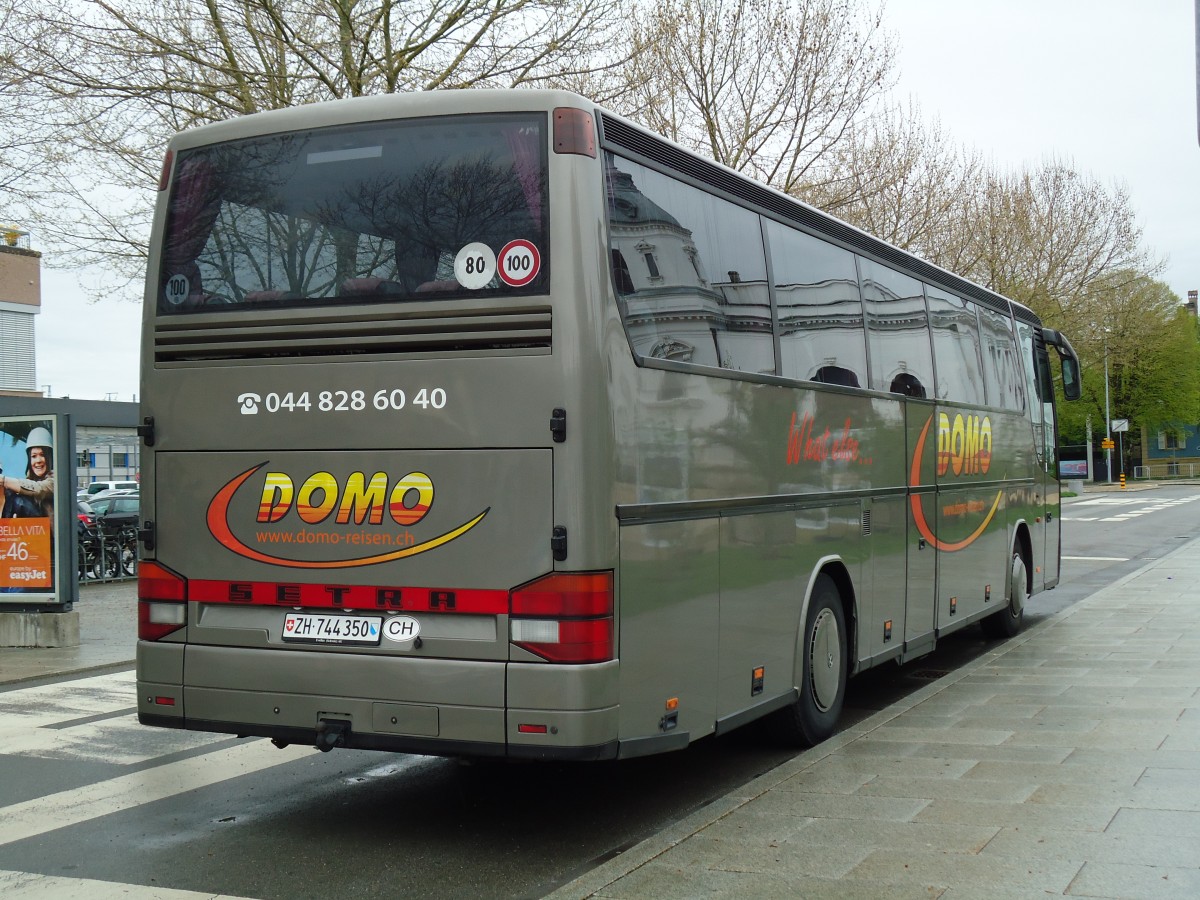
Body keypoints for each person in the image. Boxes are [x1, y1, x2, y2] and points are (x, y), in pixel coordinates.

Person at [2, 426, 55, 522]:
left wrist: (3, 480)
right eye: (34, 456)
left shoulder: (55, 480)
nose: (38, 461)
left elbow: (38, 489)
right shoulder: (29, 480)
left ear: (50, 457)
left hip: (50, 535)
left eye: (42, 455)